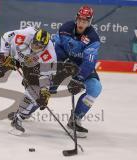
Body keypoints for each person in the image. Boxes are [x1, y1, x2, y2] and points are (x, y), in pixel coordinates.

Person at [50, 5, 102, 138]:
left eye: (85, 21)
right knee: (46, 87)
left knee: (95, 88)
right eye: (80, 19)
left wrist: (79, 78)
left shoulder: (93, 38)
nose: (81, 23)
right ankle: (22, 112)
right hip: (63, 62)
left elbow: (89, 62)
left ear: (89, 22)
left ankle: (75, 119)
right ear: (76, 19)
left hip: (81, 66)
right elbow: (55, 46)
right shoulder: (65, 28)